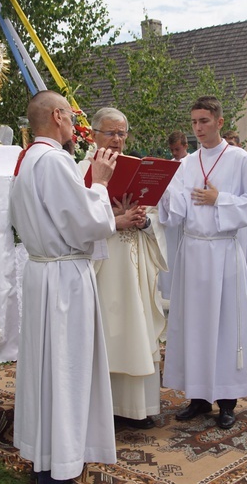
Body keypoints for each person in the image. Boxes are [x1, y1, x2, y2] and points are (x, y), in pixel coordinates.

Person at [9, 90, 119, 483]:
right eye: (71, 117)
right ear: (57, 116)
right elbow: (85, 223)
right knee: (67, 369)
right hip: (64, 280)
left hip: (43, 273)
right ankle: (63, 464)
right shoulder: (54, 161)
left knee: (48, 369)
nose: (76, 125)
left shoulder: (28, 159)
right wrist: (101, 183)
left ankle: (49, 454)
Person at [159, 96, 247, 429]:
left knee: (225, 327)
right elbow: (175, 209)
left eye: (204, 121)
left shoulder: (240, 160)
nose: (198, 128)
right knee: (194, 326)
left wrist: (220, 199)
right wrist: (159, 188)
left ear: (219, 122)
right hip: (192, 253)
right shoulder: (186, 163)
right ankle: (198, 398)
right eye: (193, 122)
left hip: (223, 254)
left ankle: (228, 402)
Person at [79, 107, 167, 430]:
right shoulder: (80, 170)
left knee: (137, 327)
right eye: (110, 133)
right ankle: (106, 409)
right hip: (103, 263)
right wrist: (117, 221)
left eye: (121, 134)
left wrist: (143, 221)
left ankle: (137, 408)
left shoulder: (135, 168)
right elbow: (77, 223)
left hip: (134, 261)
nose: (117, 140)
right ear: (93, 135)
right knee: (109, 332)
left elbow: (154, 217)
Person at [224, 130, 247, 308]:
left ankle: (243, 299)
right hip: (221, 221)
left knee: (242, 262)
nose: (227, 148)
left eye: (231, 144)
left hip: (240, 221)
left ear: (238, 145)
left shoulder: (243, 161)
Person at [159, 131, 189, 300]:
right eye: (172, 150)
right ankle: (174, 295)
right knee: (172, 258)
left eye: (177, 149)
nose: (175, 154)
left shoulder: (192, 164)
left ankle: (187, 295)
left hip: (187, 220)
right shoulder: (169, 166)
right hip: (171, 218)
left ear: (185, 146)